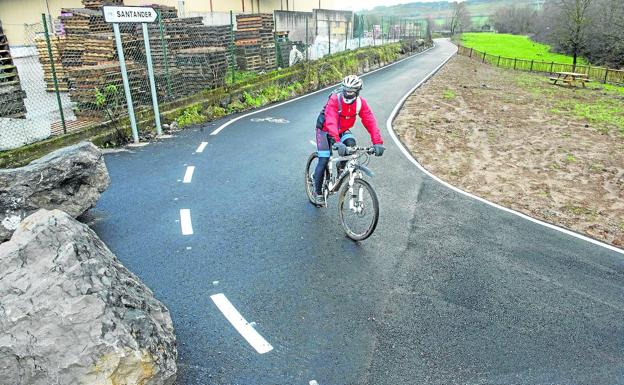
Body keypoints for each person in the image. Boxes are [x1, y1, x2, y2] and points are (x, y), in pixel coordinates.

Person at [312, 74, 385, 206]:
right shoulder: (335, 99)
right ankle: (317, 193)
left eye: (351, 91)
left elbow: (370, 121)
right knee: (323, 159)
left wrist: (377, 143)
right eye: (346, 90)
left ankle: (340, 169)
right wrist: (337, 141)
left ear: (357, 92)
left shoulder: (360, 103)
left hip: (342, 130)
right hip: (324, 129)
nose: (347, 94)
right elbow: (331, 120)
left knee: (351, 145)